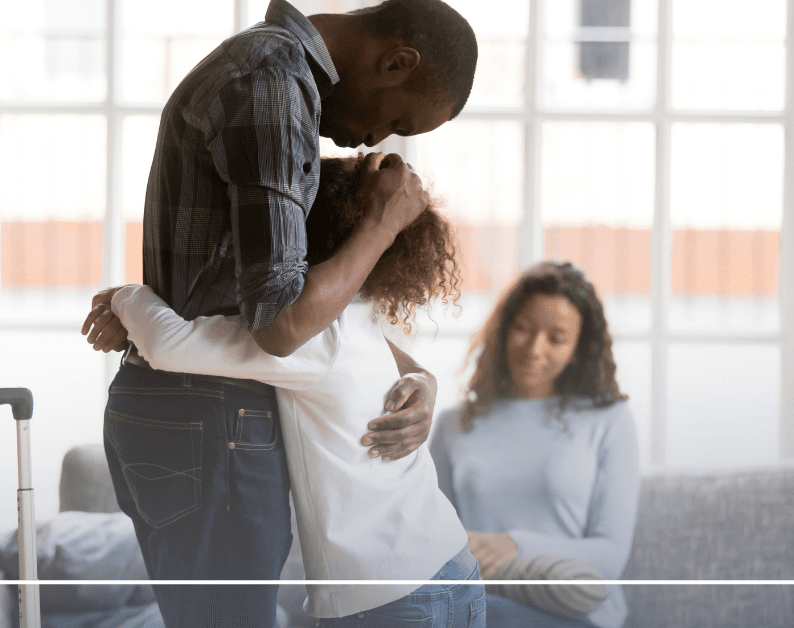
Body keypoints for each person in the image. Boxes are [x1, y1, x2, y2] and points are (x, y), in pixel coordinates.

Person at [81, 1, 477, 626]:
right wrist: (381, 221)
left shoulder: (265, 71)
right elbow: (285, 326)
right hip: (211, 409)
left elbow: (341, 335)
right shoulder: (273, 83)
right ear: (397, 62)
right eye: (396, 118)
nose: (375, 140)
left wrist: (422, 380)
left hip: (197, 401)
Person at [429, 262, 641, 628]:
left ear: (578, 348)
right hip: (480, 606)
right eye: (523, 329)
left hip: (574, 614)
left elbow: (610, 556)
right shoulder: (454, 423)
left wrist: (516, 544)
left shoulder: (610, 420)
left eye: (556, 338)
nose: (534, 348)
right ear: (503, 330)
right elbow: (430, 537)